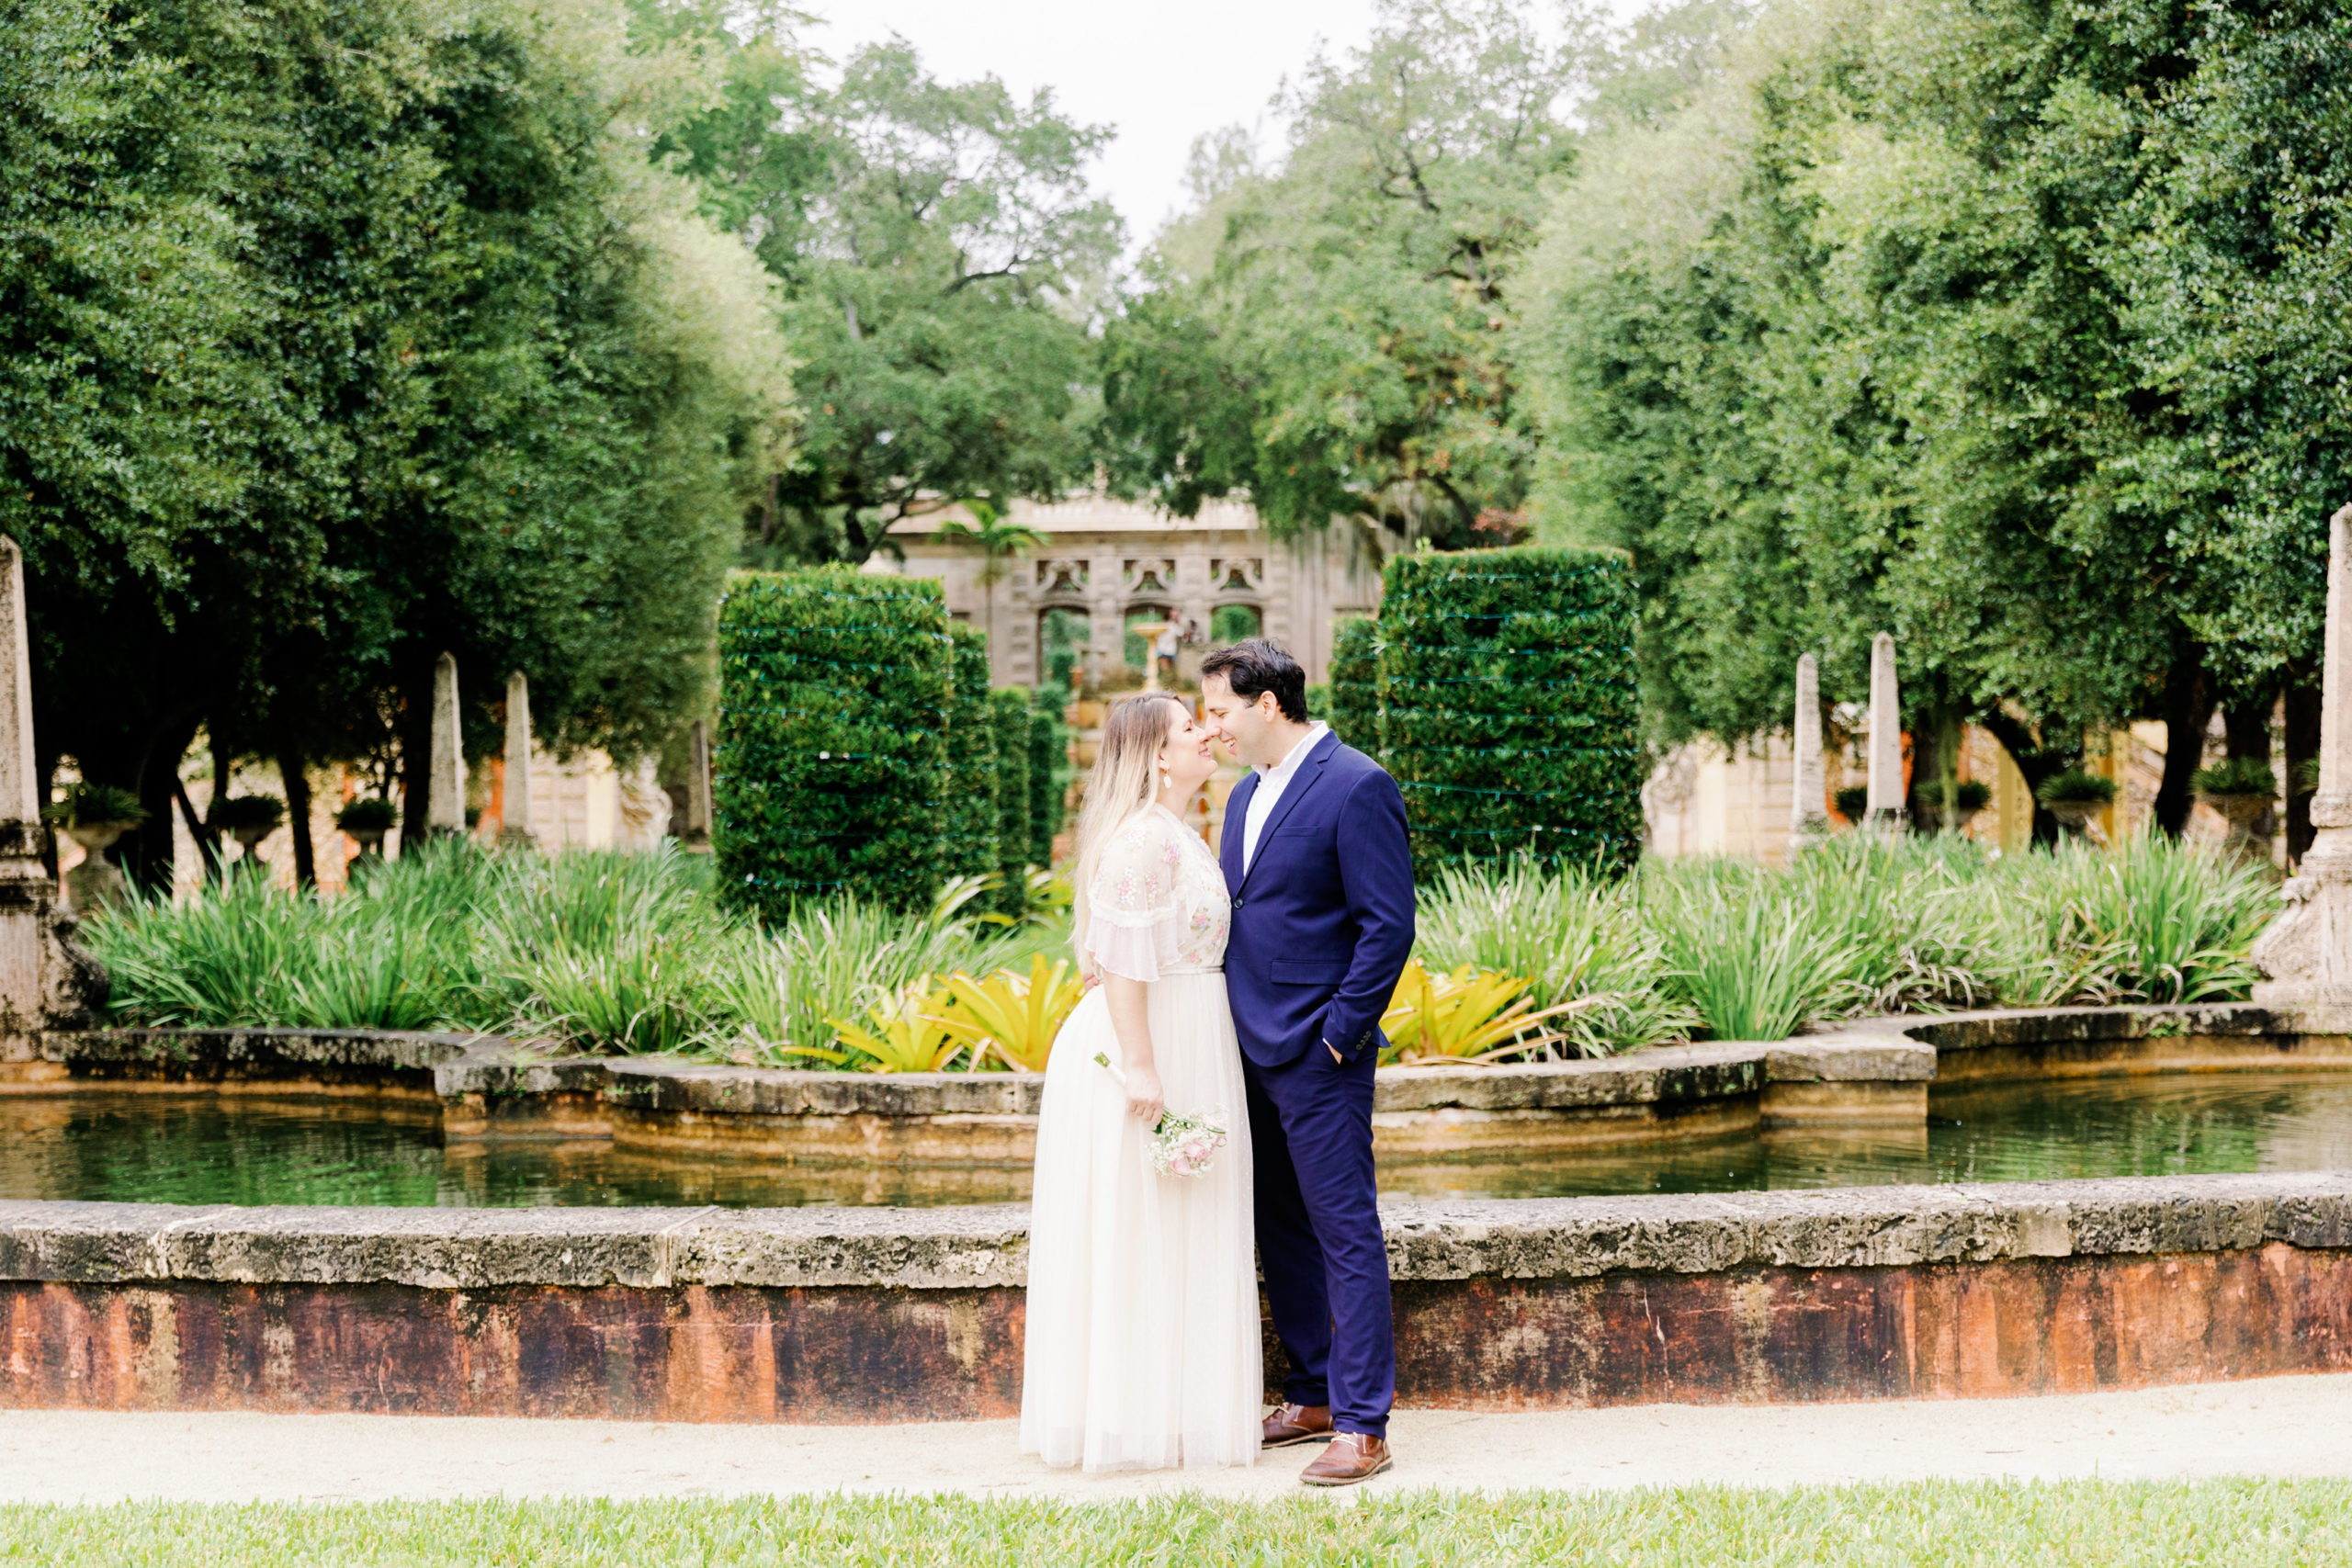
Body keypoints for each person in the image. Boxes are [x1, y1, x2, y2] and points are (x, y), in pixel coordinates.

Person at [1019, 694, 1262, 1472]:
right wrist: (1144, 1064)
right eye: (1192, 728)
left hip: (1190, 1026)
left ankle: (1178, 1409)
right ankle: (1129, 1416)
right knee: (1138, 1227)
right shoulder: (1139, 842)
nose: (1207, 735)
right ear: (1159, 755)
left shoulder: (1178, 834)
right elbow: (1123, 964)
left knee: (1180, 1223)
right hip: (1146, 1043)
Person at [1200, 637, 1414, 1487]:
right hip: (1243, 1049)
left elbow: (1387, 925)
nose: (1210, 727)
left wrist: (1339, 1034)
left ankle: (1365, 1424)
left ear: (1266, 704)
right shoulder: (1244, 796)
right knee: (1279, 1227)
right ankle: (1315, 1391)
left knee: (1344, 1232)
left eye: (1218, 710)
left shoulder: (1358, 783)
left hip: (1320, 1053)